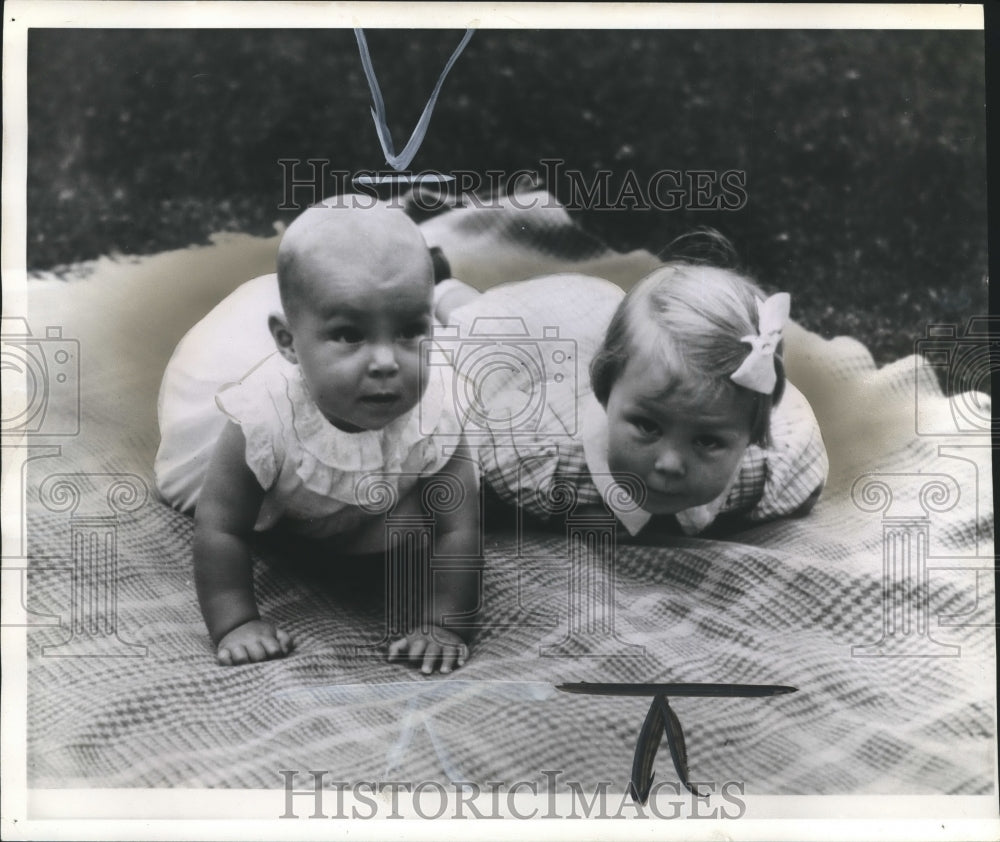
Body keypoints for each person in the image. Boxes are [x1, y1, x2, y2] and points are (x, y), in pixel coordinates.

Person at [155, 201, 480, 672]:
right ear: (288, 342)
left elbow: (458, 528)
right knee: (222, 496)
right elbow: (221, 526)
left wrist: (447, 623)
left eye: (412, 330)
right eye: (350, 335)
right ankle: (429, 286)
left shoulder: (435, 411)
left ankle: (444, 285)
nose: (387, 361)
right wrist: (236, 622)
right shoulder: (263, 419)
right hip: (287, 492)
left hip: (381, 494)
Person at [433, 259, 828, 538]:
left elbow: (805, 478)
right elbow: (472, 460)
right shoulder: (537, 454)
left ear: (752, 435)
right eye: (647, 426)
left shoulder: (768, 465)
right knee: (474, 329)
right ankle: (441, 288)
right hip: (540, 349)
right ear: (605, 393)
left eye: (707, 441)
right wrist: (575, 519)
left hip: (628, 366)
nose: (671, 464)